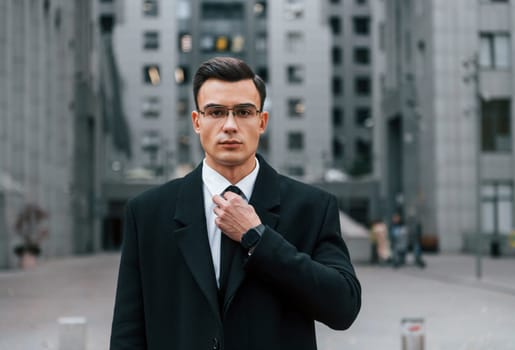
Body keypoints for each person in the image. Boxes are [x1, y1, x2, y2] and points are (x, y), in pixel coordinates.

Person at [110, 57, 361, 350]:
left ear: (261, 121)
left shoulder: (312, 207)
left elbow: (344, 307)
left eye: (243, 112)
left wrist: (259, 239)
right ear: (197, 121)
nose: (230, 125)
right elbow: (128, 330)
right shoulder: (148, 212)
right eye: (216, 112)